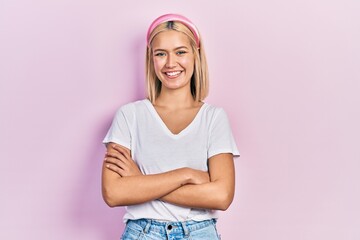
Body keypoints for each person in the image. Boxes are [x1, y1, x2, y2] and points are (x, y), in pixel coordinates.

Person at [102, 13, 240, 240]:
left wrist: (141, 183)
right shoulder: (130, 116)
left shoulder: (213, 118)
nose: (170, 63)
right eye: (160, 54)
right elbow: (114, 193)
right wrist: (187, 175)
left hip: (200, 233)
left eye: (180, 52)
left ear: (195, 55)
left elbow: (221, 196)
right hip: (143, 233)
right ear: (151, 58)